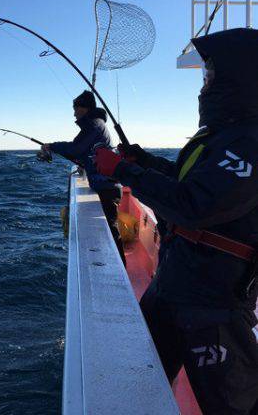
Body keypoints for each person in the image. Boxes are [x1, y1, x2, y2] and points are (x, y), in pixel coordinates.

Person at [94, 28, 258, 414]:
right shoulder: (224, 136)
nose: (205, 84)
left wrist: (125, 173)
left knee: (231, 404)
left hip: (212, 303)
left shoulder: (250, 141)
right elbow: (193, 182)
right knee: (141, 379)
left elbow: (195, 204)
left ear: (241, 77)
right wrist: (144, 162)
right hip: (174, 283)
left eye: (211, 74)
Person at [38, 90, 126, 264]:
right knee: (110, 230)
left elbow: (75, 148)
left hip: (107, 187)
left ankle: (120, 267)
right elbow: (87, 151)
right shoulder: (96, 124)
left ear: (84, 108)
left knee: (111, 231)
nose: (74, 113)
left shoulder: (93, 125)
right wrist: (84, 161)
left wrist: (51, 146)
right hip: (106, 185)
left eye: (76, 108)